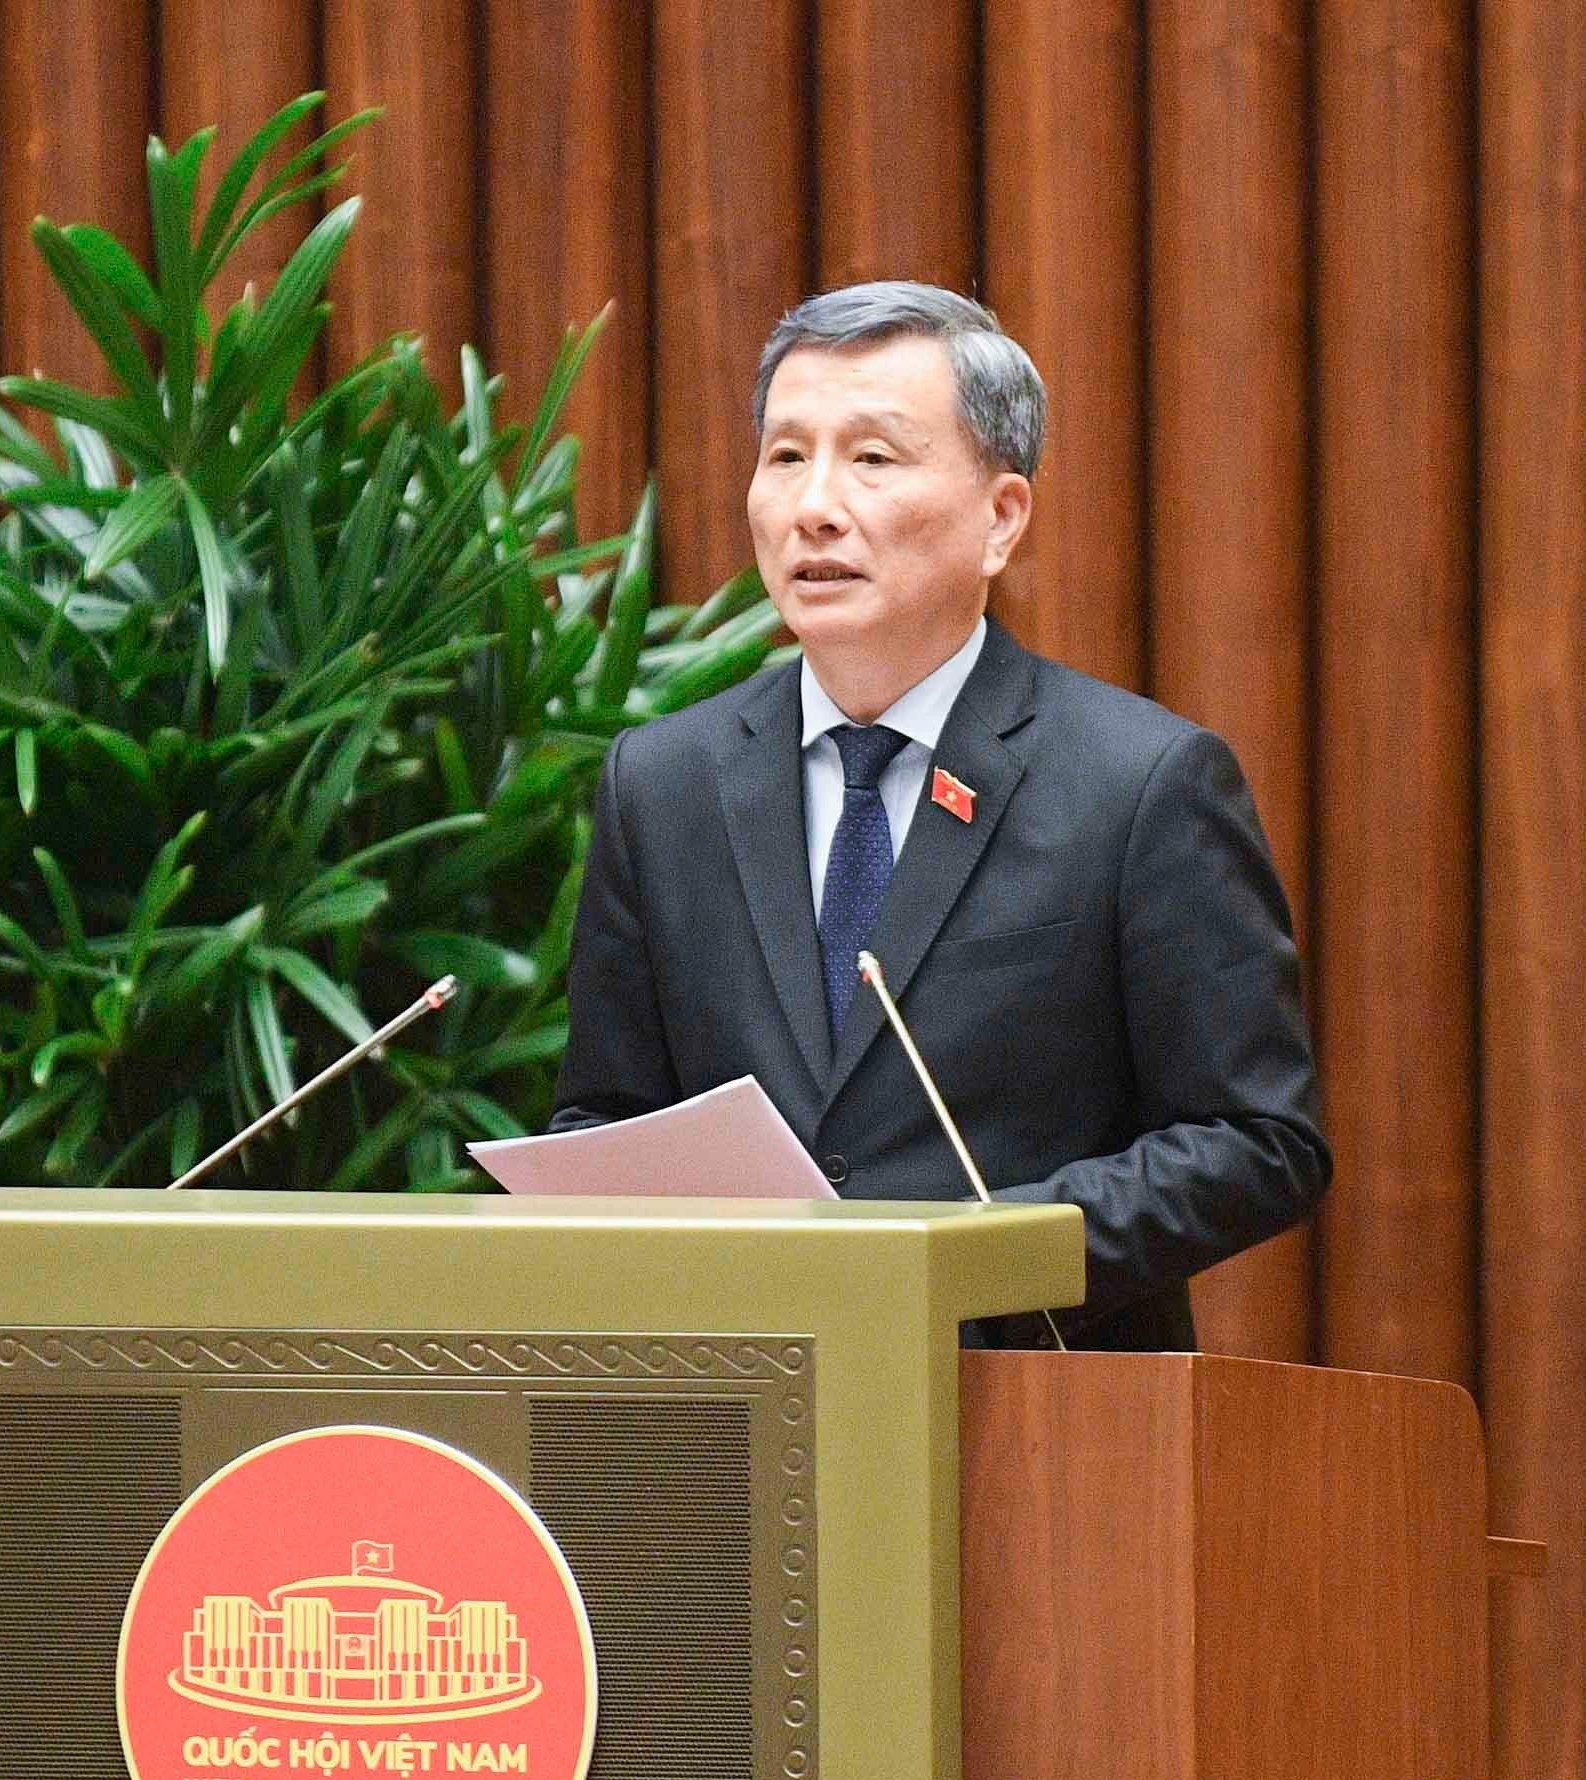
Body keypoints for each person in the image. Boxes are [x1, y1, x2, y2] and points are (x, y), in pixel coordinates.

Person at [549, 281, 1328, 1350]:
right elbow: (604, 1119)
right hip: (741, 1399)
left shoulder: (1141, 783)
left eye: (872, 458)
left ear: (1000, 518)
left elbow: (1257, 1140)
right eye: (786, 456)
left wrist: (960, 1260)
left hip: (1038, 1405)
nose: (816, 505)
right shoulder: (663, 783)